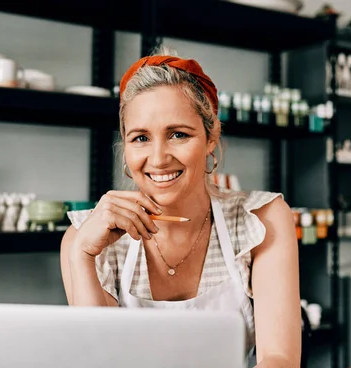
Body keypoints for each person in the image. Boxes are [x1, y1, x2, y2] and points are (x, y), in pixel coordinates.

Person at [60, 46, 301, 368]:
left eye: (178, 134)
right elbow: (97, 358)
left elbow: (279, 358)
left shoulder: (260, 219)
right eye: (141, 138)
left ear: (211, 136)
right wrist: (82, 256)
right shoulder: (85, 239)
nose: (158, 158)